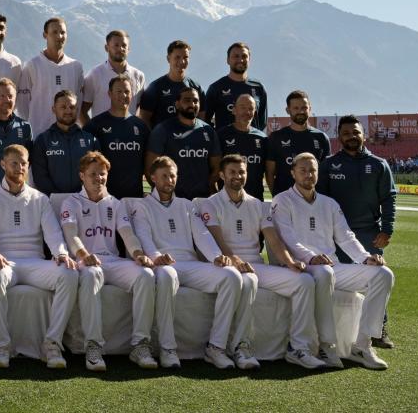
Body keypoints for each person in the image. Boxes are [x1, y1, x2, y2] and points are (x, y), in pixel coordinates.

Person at [198, 155, 325, 369]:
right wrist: (236, 261)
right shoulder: (210, 204)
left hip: (254, 264)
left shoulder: (258, 205)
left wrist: (289, 261)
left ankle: (298, 349)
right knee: (248, 281)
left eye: (242, 172)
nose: (238, 176)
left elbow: (273, 240)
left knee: (304, 282)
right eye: (232, 172)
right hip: (224, 265)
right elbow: (218, 241)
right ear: (222, 175)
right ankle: (237, 347)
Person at [271, 153, 395, 370]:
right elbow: (287, 239)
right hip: (300, 267)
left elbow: (346, 237)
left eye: (313, 170)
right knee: (325, 273)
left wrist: (365, 258)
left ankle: (362, 345)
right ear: (293, 173)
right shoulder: (282, 200)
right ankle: (326, 346)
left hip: (331, 267)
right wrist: (310, 257)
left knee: (383, 274)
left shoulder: (329, 203)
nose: (309, 175)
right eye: (303, 170)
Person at [127, 156, 250, 370]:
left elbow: (201, 234)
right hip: (162, 265)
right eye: (164, 176)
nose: (169, 180)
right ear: (153, 178)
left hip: (190, 264)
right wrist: (156, 256)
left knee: (231, 276)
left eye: (173, 175)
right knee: (167, 274)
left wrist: (215, 256)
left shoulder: (187, 205)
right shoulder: (141, 205)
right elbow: (143, 236)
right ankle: (167, 348)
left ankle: (216, 348)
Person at [0, 145, 79, 369]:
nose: (19, 167)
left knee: (69, 274)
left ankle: (52, 344)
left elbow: (52, 231)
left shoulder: (40, 199)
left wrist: (60, 253)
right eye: (14, 162)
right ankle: (1, 346)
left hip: (34, 261)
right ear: (3, 164)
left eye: (23, 163)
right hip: (4, 261)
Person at [60, 152, 159, 371]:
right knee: (91, 273)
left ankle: (140, 345)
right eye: (93, 174)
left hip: (113, 261)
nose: (98, 178)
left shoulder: (116, 203)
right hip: (86, 261)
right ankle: (93, 346)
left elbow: (127, 233)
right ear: (82, 176)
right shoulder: (71, 202)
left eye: (102, 174)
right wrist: (85, 255)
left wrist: (138, 254)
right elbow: (71, 234)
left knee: (145, 275)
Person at [317, 115, 398, 348]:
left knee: (377, 280)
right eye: (346, 133)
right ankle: (337, 329)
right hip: (336, 236)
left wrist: (387, 230)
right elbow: (320, 201)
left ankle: (378, 329)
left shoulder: (379, 164)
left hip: (369, 234)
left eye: (355, 132)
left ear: (363, 134)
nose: (351, 137)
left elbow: (389, 199)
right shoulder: (329, 165)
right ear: (339, 136)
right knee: (337, 284)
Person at [145, 87, 221, 200]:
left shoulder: (208, 131)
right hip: (171, 200)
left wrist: (204, 187)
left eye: (195, 101)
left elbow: (217, 168)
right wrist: (165, 195)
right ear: (177, 104)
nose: (192, 104)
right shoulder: (163, 129)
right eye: (187, 100)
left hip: (201, 201)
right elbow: (149, 169)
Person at [84, 75, 150, 198]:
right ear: (110, 94)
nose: (123, 95)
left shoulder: (141, 127)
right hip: (103, 198)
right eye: (119, 91)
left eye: (127, 92)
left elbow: (148, 163)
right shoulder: (95, 125)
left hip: (134, 197)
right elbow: (86, 164)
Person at [18, 17, 84, 135]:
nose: (59, 36)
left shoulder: (76, 67)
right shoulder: (32, 65)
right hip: (39, 135)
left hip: (68, 136)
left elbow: (78, 102)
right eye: (55, 32)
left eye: (63, 32)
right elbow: (23, 103)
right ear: (45, 35)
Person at [31, 90, 99, 195]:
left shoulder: (90, 139)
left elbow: (97, 171)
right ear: (54, 109)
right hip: (53, 201)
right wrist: (58, 196)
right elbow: (40, 176)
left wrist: (82, 195)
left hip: (84, 200)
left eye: (72, 107)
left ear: (77, 109)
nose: (68, 111)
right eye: (63, 107)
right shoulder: (43, 140)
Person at [265, 90, 331, 196]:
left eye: (304, 108)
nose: (300, 111)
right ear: (288, 110)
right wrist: (277, 196)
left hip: (313, 201)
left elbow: (325, 174)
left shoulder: (321, 137)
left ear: (310, 109)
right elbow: (269, 173)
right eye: (296, 108)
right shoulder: (276, 137)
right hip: (285, 201)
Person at [80, 30, 146, 125]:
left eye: (124, 45)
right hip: (102, 136)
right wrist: (90, 133)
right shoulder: (95, 74)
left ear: (129, 49)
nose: (121, 48)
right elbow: (82, 110)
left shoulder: (139, 76)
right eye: (116, 45)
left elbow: (141, 110)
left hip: (129, 135)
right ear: (107, 48)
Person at [138, 40, 205, 129]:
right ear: (168, 59)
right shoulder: (155, 87)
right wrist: (155, 138)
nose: (182, 61)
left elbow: (201, 118)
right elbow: (144, 118)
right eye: (177, 57)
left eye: (185, 57)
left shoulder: (196, 88)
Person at [203, 42, 268, 130]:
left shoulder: (259, 87)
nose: (240, 60)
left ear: (249, 59)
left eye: (244, 56)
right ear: (228, 60)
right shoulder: (216, 88)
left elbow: (262, 122)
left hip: (252, 142)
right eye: (236, 56)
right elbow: (205, 121)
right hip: (224, 142)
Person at [217, 94, 268, 200]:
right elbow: (215, 168)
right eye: (243, 107)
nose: (247, 112)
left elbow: (267, 171)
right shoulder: (221, 135)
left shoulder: (263, 138)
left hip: (255, 200)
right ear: (234, 110)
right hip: (226, 201)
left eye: (251, 109)